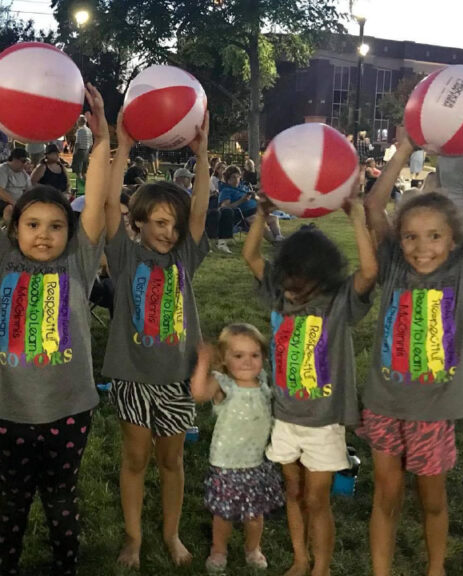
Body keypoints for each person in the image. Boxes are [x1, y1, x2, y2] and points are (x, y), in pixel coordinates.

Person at [0, 83, 110, 576]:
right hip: (10, 411)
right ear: (15, 230)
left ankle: (65, 567)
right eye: (32, 224)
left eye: (55, 226)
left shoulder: (79, 265)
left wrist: (102, 134)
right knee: (13, 501)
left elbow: (100, 194)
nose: (43, 234)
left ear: (70, 234)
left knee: (62, 501)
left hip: (69, 410)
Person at [362, 102, 463, 576]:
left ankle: (435, 569)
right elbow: (372, 206)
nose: (421, 247)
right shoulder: (392, 267)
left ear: (452, 239)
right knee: (385, 495)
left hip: (433, 409)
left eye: (433, 237)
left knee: (431, 499)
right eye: (410, 237)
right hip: (385, 401)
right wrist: (405, 145)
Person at [242, 193, 377, 576]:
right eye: (289, 278)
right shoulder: (280, 296)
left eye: (302, 281)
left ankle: (322, 567)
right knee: (293, 490)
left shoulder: (338, 303)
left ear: (322, 277)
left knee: (317, 499)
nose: (293, 287)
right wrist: (261, 216)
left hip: (323, 421)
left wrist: (356, 219)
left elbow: (368, 273)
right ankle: (300, 559)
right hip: (285, 417)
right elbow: (251, 258)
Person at [104, 108, 210, 569]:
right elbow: (109, 207)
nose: (168, 232)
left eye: (173, 224)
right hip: (132, 376)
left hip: (176, 378)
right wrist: (122, 149)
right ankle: (133, 537)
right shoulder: (125, 256)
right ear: (140, 223)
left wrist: (203, 157)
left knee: (171, 461)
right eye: (159, 223)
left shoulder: (185, 255)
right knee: (134, 459)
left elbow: (202, 210)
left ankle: (171, 534)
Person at [190, 324, 284, 573]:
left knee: (254, 514)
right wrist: (203, 363)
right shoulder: (224, 385)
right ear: (225, 358)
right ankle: (218, 549)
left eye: (254, 355)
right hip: (227, 464)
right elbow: (198, 394)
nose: (247, 362)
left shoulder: (264, 382)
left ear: (263, 357)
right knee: (224, 514)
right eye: (238, 355)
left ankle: (253, 548)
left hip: (257, 462)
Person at [218, 166, 283, 242]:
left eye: (238, 177)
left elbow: (257, 200)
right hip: (243, 216)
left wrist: (255, 197)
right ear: (227, 179)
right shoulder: (226, 191)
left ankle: (279, 238)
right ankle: (275, 242)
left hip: (256, 211)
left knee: (273, 218)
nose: (236, 180)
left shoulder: (243, 187)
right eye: (233, 177)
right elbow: (225, 207)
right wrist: (242, 200)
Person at [0, 148, 31, 219]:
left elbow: (28, 191)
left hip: (18, 203)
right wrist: (16, 204)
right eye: (23, 161)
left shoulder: (24, 174)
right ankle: (9, 229)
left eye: (26, 162)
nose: (24, 164)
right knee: (9, 209)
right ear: (15, 159)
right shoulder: (1, 170)